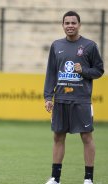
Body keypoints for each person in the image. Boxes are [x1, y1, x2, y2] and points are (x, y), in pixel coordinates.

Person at [44, 11, 104, 184]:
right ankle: (55, 178)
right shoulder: (56, 45)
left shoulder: (89, 46)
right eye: (67, 23)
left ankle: (88, 179)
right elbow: (51, 73)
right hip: (61, 99)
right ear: (62, 25)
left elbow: (99, 70)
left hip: (81, 100)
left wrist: (83, 70)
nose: (70, 26)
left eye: (73, 23)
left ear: (79, 25)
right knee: (58, 137)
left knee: (86, 137)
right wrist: (48, 96)